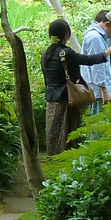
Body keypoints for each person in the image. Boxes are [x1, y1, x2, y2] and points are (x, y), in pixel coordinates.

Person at [40, 17, 88, 154]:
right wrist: (107, 53)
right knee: (69, 132)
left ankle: (53, 159)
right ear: (66, 35)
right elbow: (87, 60)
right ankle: (68, 161)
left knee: (53, 132)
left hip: (51, 100)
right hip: (67, 99)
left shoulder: (46, 54)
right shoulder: (66, 53)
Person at [80, 13, 111, 112]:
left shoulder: (98, 36)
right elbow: (97, 66)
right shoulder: (95, 38)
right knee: (99, 121)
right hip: (99, 91)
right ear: (107, 25)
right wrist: (104, 89)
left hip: (99, 89)